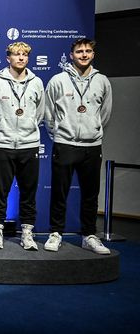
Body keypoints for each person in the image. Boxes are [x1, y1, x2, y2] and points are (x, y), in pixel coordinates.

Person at [44, 38, 112, 255]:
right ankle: (55, 233)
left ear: (93, 54)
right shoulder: (58, 80)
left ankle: (89, 235)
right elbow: (48, 112)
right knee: (59, 192)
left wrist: (94, 132)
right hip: (65, 143)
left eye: (88, 51)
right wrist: (59, 133)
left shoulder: (102, 81)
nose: (84, 54)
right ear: (71, 54)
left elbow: (105, 114)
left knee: (91, 193)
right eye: (79, 51)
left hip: (92, 146)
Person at [0, 42, 44, 257]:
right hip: (4, 144)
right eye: (16, 54)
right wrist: (1, 132)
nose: (20, 58)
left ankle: (27, 232)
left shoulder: (36, 83)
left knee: (28, 191)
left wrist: (27, 132)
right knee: (1, 191)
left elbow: (40, 113)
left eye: (24, 55)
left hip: (29, 145)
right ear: (7, 57)